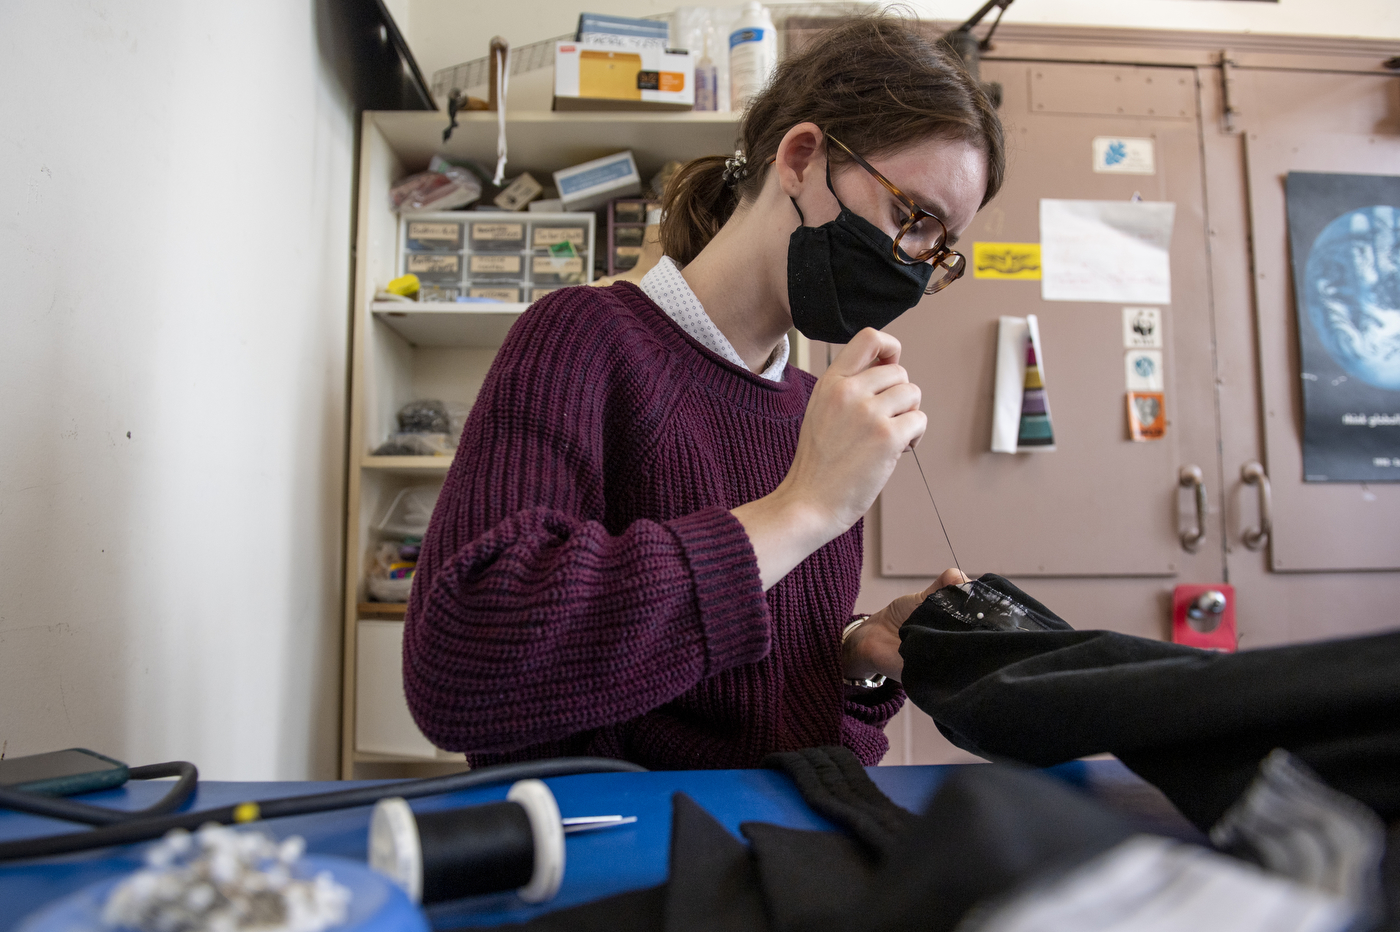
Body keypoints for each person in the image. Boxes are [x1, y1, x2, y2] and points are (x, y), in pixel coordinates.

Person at [403, 14, 1006, 770]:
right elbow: (461, 667)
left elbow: (738, 688)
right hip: (632, 832)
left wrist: (855, 651)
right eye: (912, 219)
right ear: (801, 158)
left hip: (790, 823)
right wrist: (801, 508)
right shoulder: (583, 338)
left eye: (938, 250)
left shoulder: (811, 406)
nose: (913, 267)